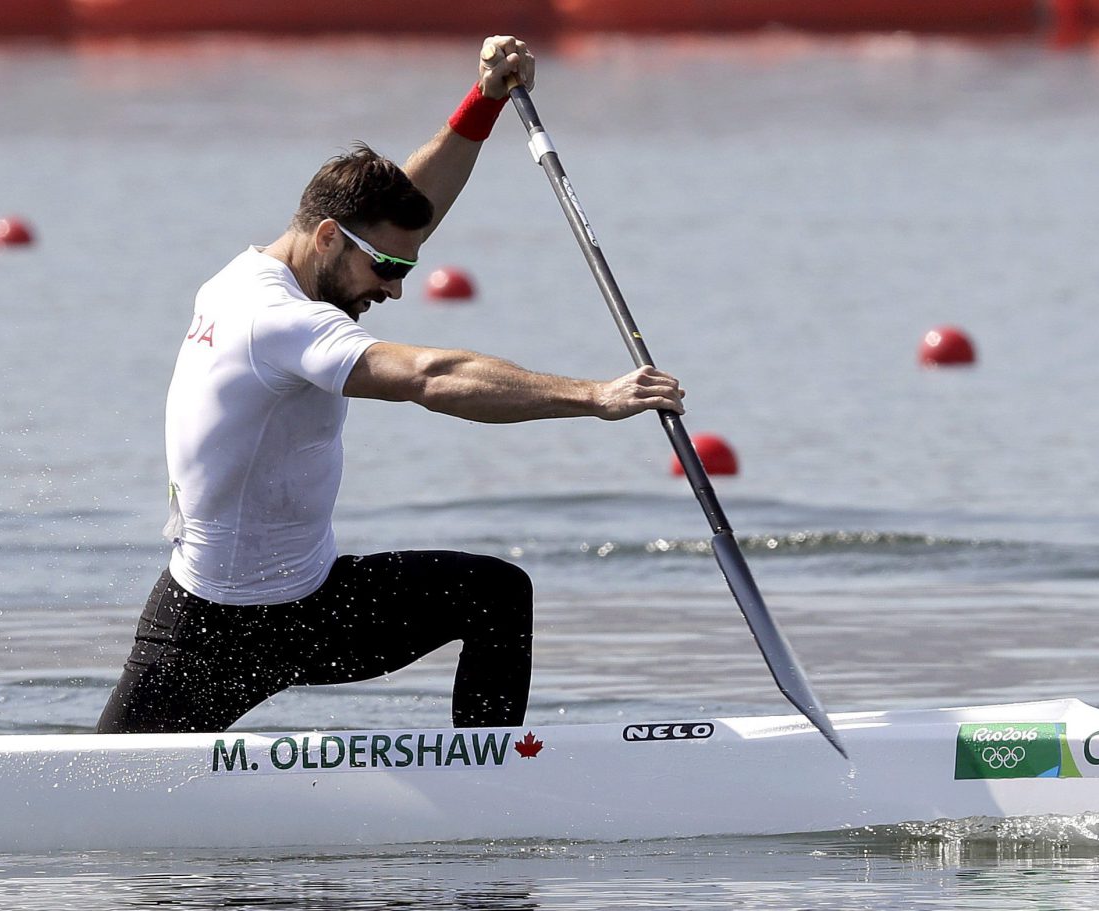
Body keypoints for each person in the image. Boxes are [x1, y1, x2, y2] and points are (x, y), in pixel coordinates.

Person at [96, 36, 685, 736]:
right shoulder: (276, 320)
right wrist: (594, 396)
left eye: (404, 267)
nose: (398, 287)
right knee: (100, 809)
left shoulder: (276, 270)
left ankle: (483, 788)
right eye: (385, 268)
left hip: (314, 607)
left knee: (495, 595)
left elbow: (410, 210)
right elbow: (430, 377)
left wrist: (485, 101)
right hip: (209, 629)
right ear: (325, 238)